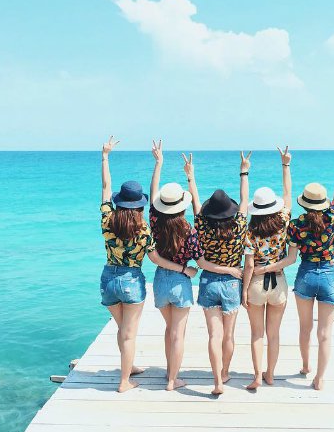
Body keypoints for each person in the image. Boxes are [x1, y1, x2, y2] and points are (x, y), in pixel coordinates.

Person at [99, 136, 196, 393]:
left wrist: (105, 157)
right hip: (131, 281)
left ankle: (128, 366)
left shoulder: (107, 220)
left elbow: (106, 188)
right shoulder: (143, 229)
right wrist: (183, 269)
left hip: (108, 278)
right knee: (129, 333)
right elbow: (154, 258)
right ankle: (124, 381)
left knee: (123, 330)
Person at [149, 141, 243, 391]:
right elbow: (200, 262)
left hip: (160, 280)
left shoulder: (156, 223)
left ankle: (170, 372)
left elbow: (155, 196)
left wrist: (159, 164)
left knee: (170, 330)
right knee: (183, 334)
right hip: (184, 283)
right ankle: (183, 379)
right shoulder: (190, 231)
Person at [264, 137, 334, 390]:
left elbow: (291, 258)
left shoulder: (296, 225)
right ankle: (319, 379)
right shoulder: (332, 217)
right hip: (329, 274)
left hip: (305, 274)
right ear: (323, 202)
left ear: (304, 202)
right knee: (325, 333)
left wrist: (266, 268)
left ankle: (305, 366)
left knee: (305, 328)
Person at [187, 151, 251, 395]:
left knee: (214, 335)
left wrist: (190, 176)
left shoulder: (202, 226)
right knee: (229, 335)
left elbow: (195, 202)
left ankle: (217, 382)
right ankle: (225, 372)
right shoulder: (240, 224)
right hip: (233, 283)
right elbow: (244, 198)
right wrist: (244, 171)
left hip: (209, 283)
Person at [241, 146, 292, 390]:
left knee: (256, 334)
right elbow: (288, 193)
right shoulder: (283, 221)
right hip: (278, 281)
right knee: (274, 334)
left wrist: (243, 290)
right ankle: (270, 374)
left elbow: (249, 265)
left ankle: (257, 377)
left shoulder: (250, 231)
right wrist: (285, 165)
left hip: (256, 284)